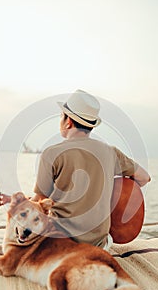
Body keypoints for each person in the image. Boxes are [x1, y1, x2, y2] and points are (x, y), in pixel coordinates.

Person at [32, 89, 151, 249]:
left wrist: (18, 203)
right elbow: (144, 178)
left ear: (68, 122)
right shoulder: (111, 152)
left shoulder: (51, 154)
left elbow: (40, 201)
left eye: (62, 115)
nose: (60, 120)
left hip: (60, 244)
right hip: (98, 246)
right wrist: (111, 196)